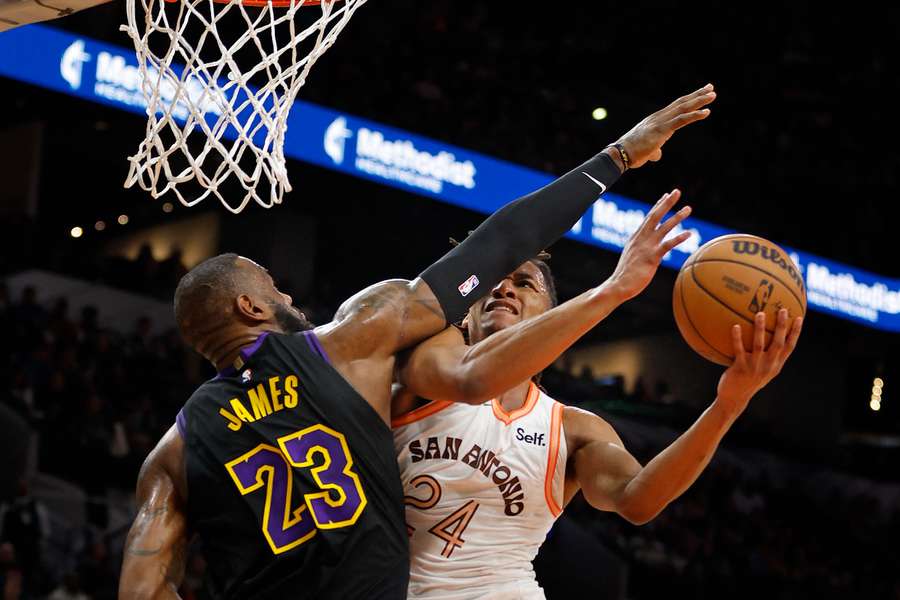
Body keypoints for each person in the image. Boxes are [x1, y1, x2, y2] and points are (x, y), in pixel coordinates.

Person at [117, 85, 717, 600]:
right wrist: (615, 158)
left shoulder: (173, 451)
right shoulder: (350, 345)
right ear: (250, 306)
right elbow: (501, 243)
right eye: (276, 289)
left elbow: (141, 590)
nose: (295, 301)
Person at [392, 190, 803, 599]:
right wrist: (615, 288)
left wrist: (728, 405)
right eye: (494, 284)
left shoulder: (571, 430)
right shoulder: (424, 370)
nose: (504, 290)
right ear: (467, 311)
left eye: (523, 283)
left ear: (551, 315)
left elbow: (638, 500)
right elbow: (466, 378)